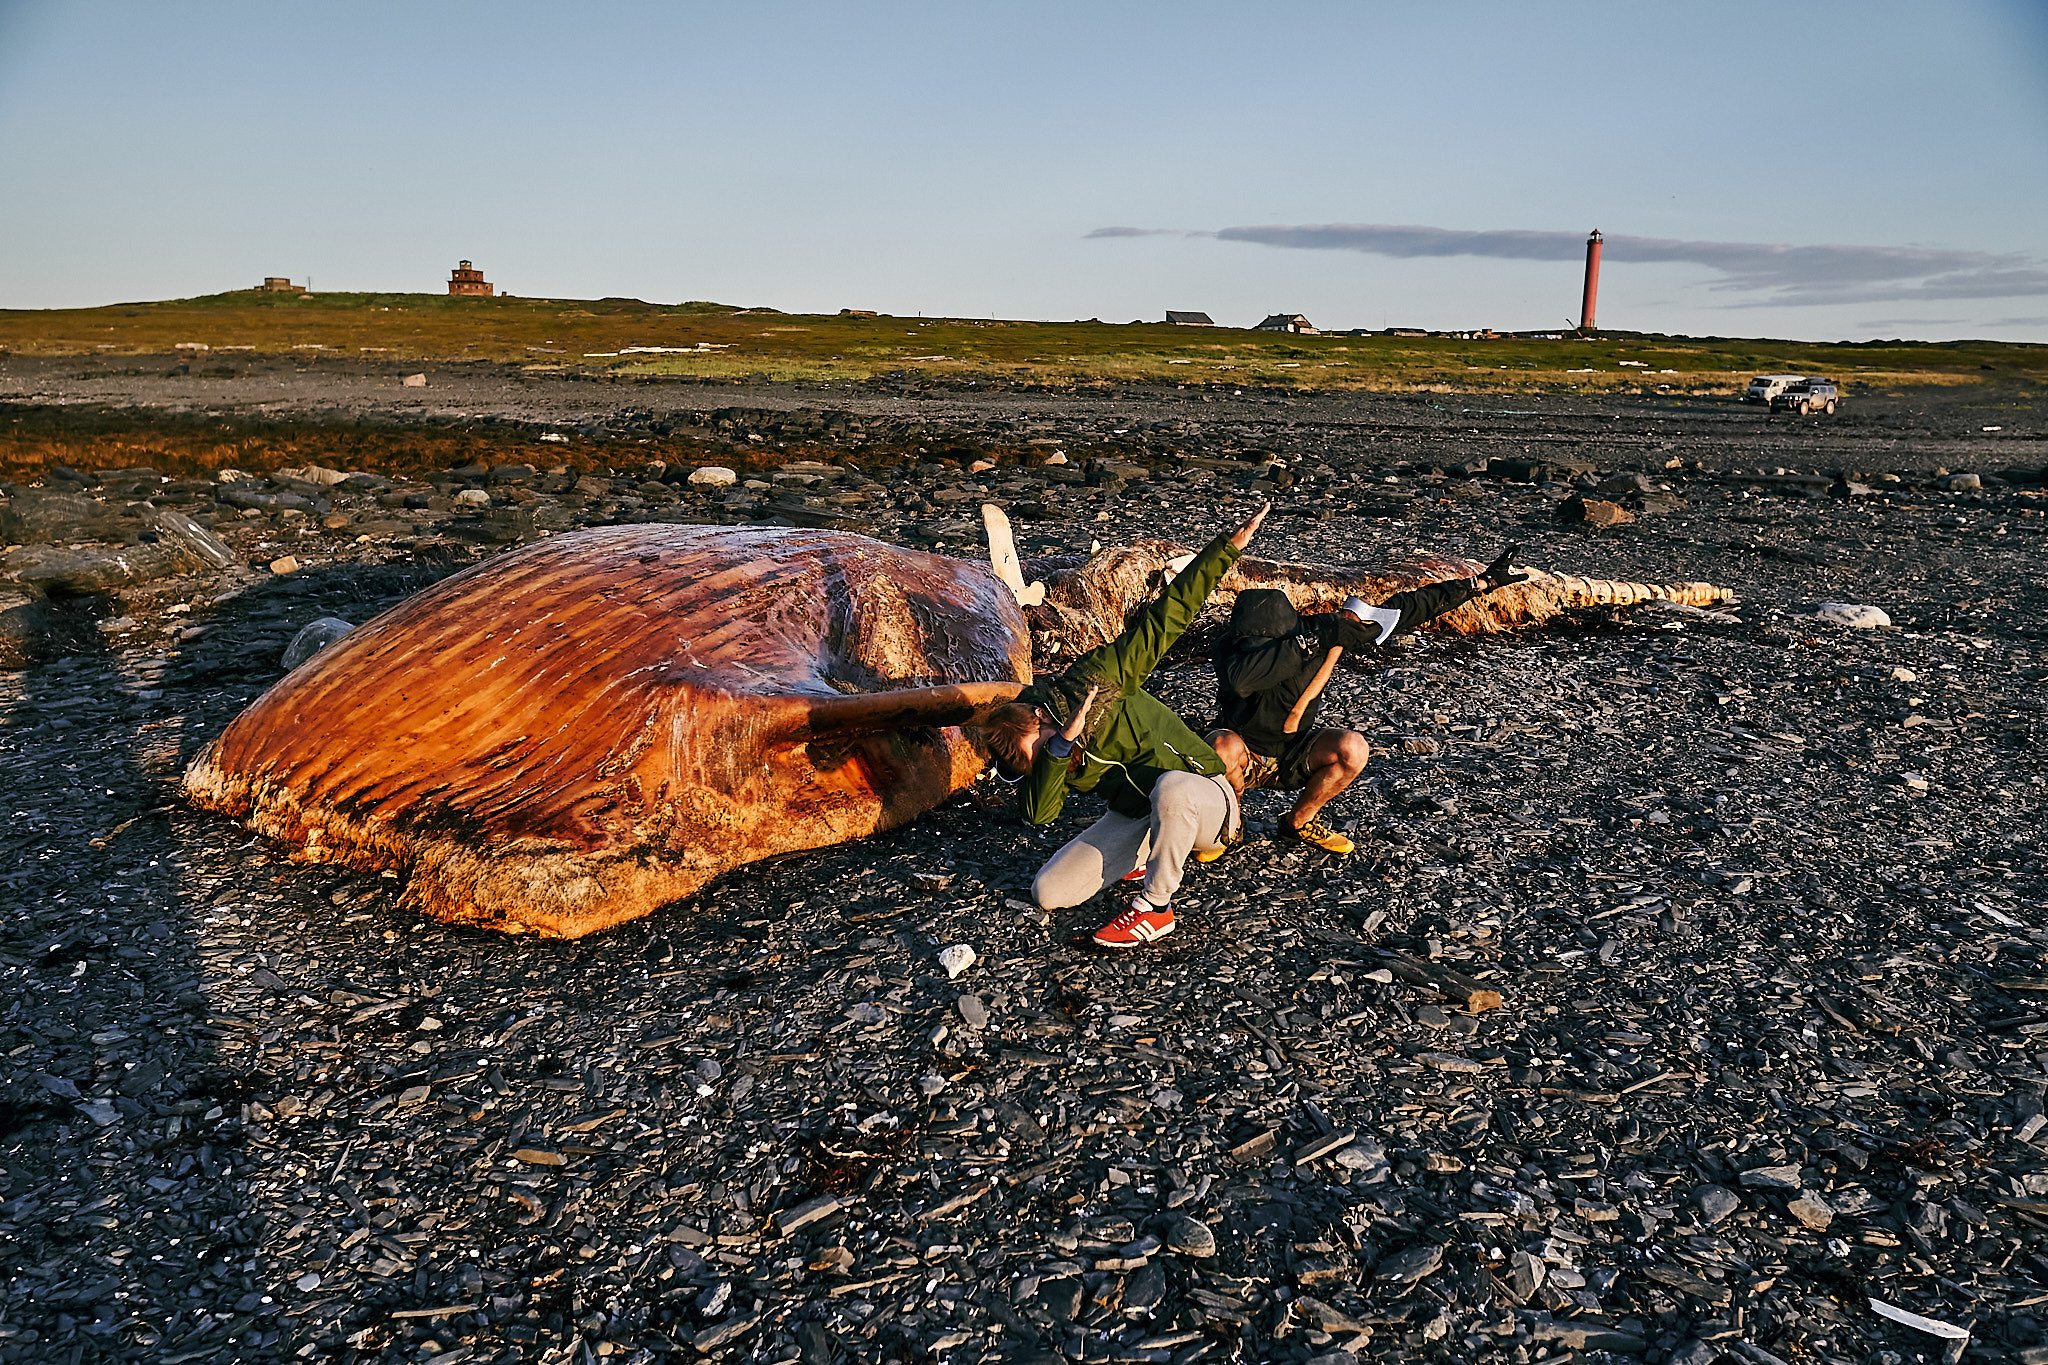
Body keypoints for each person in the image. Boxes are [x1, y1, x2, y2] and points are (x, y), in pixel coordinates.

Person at [973, 504, 1269, 949]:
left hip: (1204, 796)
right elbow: (1038, 814)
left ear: (1039, 716)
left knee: (1171, 788)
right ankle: (1147, 853)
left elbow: (1164, 621)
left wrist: (1225, 550)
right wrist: (1056, 751)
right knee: (1049, 892)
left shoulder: (1099, 680)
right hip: (1138, 815)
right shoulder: (1047, 749)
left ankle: (1156, 907)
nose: (1052, 756)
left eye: (1045, 745)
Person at [1208, 546, 1531, 854]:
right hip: (1241, 753)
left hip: (1293, 750)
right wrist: (1311, 642)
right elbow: (1241, 681)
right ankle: (1229, 823)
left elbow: (1405, 609)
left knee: (1353, 747)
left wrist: (1479, 584)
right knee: (1221, 747)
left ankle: (1298, 822)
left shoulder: (1322, 630)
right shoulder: (1231, 649)